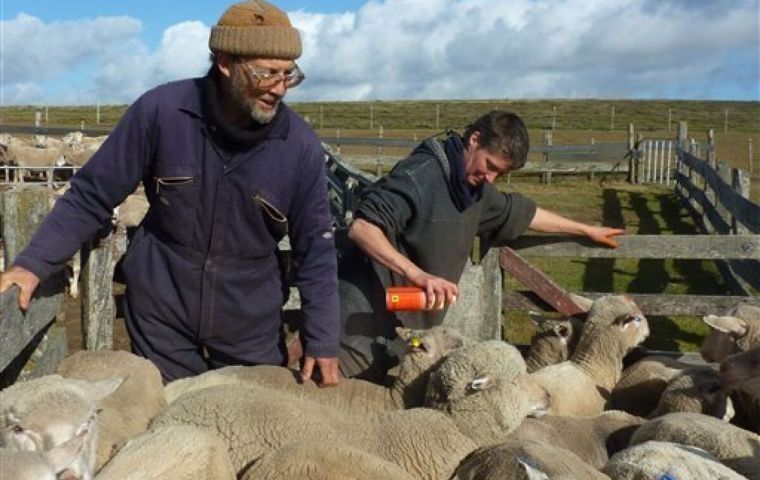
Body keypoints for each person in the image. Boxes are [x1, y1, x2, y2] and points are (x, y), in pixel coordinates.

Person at [0, 0, 340, 386]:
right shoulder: (161, 113)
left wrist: (323, 337)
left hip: (249, 321)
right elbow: (92, 193)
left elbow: (317, 246)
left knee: (248, 425)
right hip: (161, 313)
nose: (279, 88)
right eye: (266, 74)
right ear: (225, 63)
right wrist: (32, 264)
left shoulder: (299, 147)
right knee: (162, 421)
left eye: (288, 74)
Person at [338, 110, 624, 382]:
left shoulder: (473, 191)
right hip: (357, 329)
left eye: (500, 174)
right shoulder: (421, 174)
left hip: (404, 334)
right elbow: (363, 228)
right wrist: (417, 275)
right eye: (490, 166)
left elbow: (521, 212)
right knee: (339, 410)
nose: (490, 179)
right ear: (474, 140)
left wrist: (585, 229)